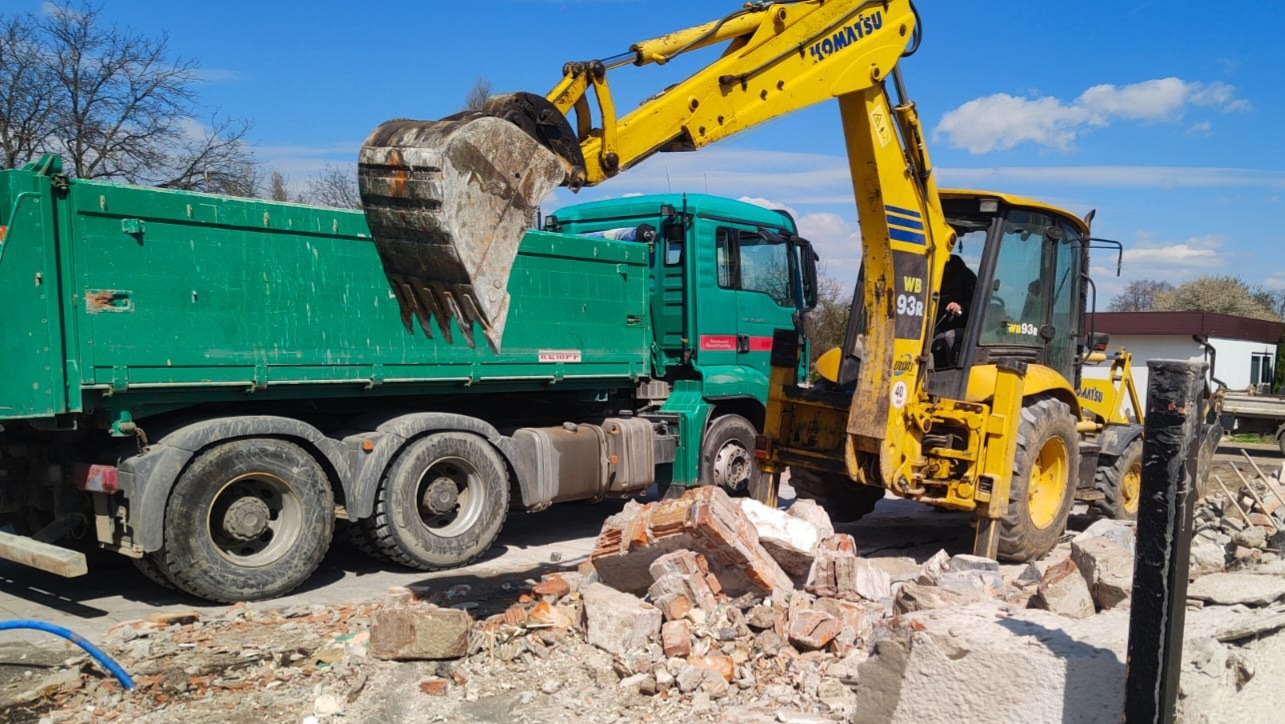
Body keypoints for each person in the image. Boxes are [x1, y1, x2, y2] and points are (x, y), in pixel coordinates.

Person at [931, 254, 976, 368]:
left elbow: (976, 304)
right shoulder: (936, 278)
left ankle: (952, 368)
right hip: (942, 322)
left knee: (950, 336)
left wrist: (961, 307)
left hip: (966, 325)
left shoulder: (966, 278)